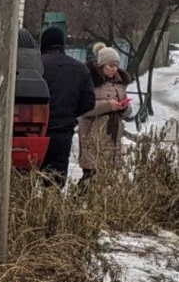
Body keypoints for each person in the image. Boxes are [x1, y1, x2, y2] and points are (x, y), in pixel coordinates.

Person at [39, 26, 96, 187]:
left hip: (36, 130)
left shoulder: (36, 65)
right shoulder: (79, 68)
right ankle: (50, 208)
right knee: (55, 180)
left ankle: (27, 209)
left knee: (28, 176)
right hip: (63, 132)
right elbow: (89, 102)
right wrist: (70, 113)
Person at [77, 46, 132, 184]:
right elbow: (83, 108)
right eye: (111, 65)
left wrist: (124, 107)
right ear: (102, 65)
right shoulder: (90, 82)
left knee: (106, 179)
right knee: (90, 178)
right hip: (93, 136)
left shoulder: (119, 84)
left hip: (113, 137)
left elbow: (127, 113)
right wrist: (107, 105)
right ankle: (75, 202)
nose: (114, 69)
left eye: (117, 66)